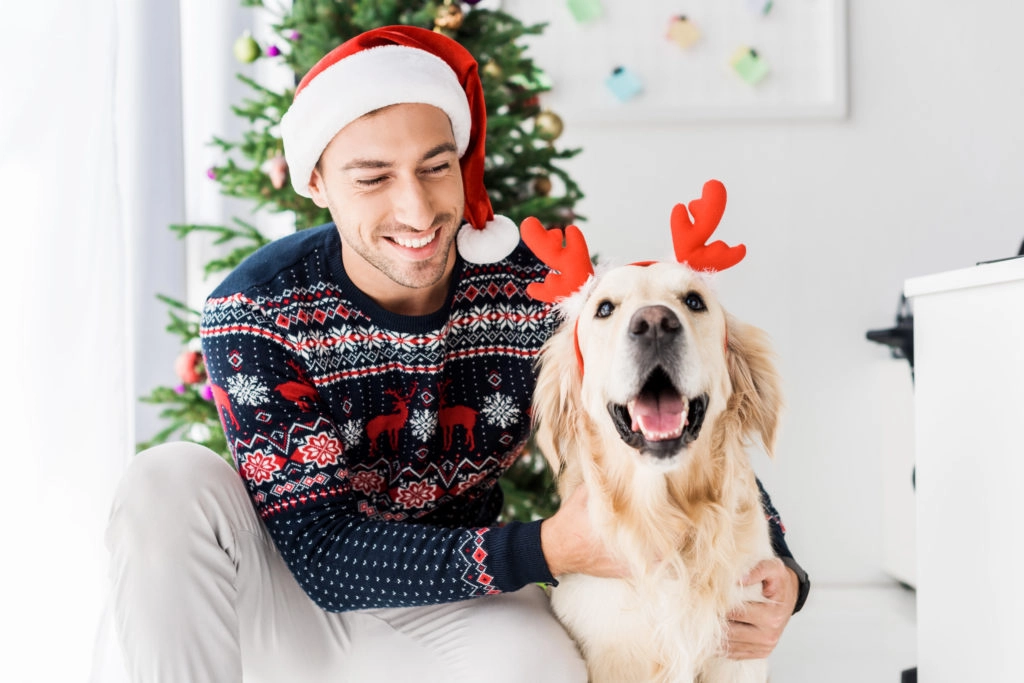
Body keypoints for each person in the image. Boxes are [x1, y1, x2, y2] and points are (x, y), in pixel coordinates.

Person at [104, 25, 808, 682]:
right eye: (372, 177)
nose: (416, 209)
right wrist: (550, 548)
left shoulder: (537, 289)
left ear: (462, 165)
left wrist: (784, 567)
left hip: (452, 595)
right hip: (278, 594)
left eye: (435, 166)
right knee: (165, 480)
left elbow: (674, 406)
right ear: (316, 181)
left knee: (545, 666)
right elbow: (323, 554)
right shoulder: (256, 308)